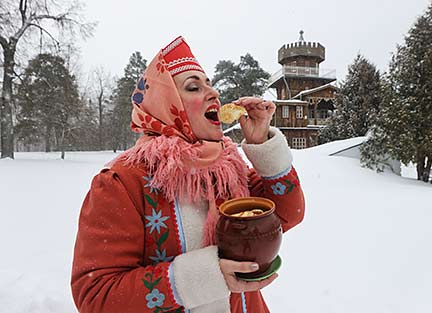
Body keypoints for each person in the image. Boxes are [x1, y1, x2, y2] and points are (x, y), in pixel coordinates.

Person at [71, 36, 305, 313]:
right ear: (166, 105)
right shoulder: (122, 183)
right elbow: (98, 296)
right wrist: (206, 277)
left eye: (210, 84)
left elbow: (289, 213)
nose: (214, 93)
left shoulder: (227, 169)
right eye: (194, 87)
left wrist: (261, 142)